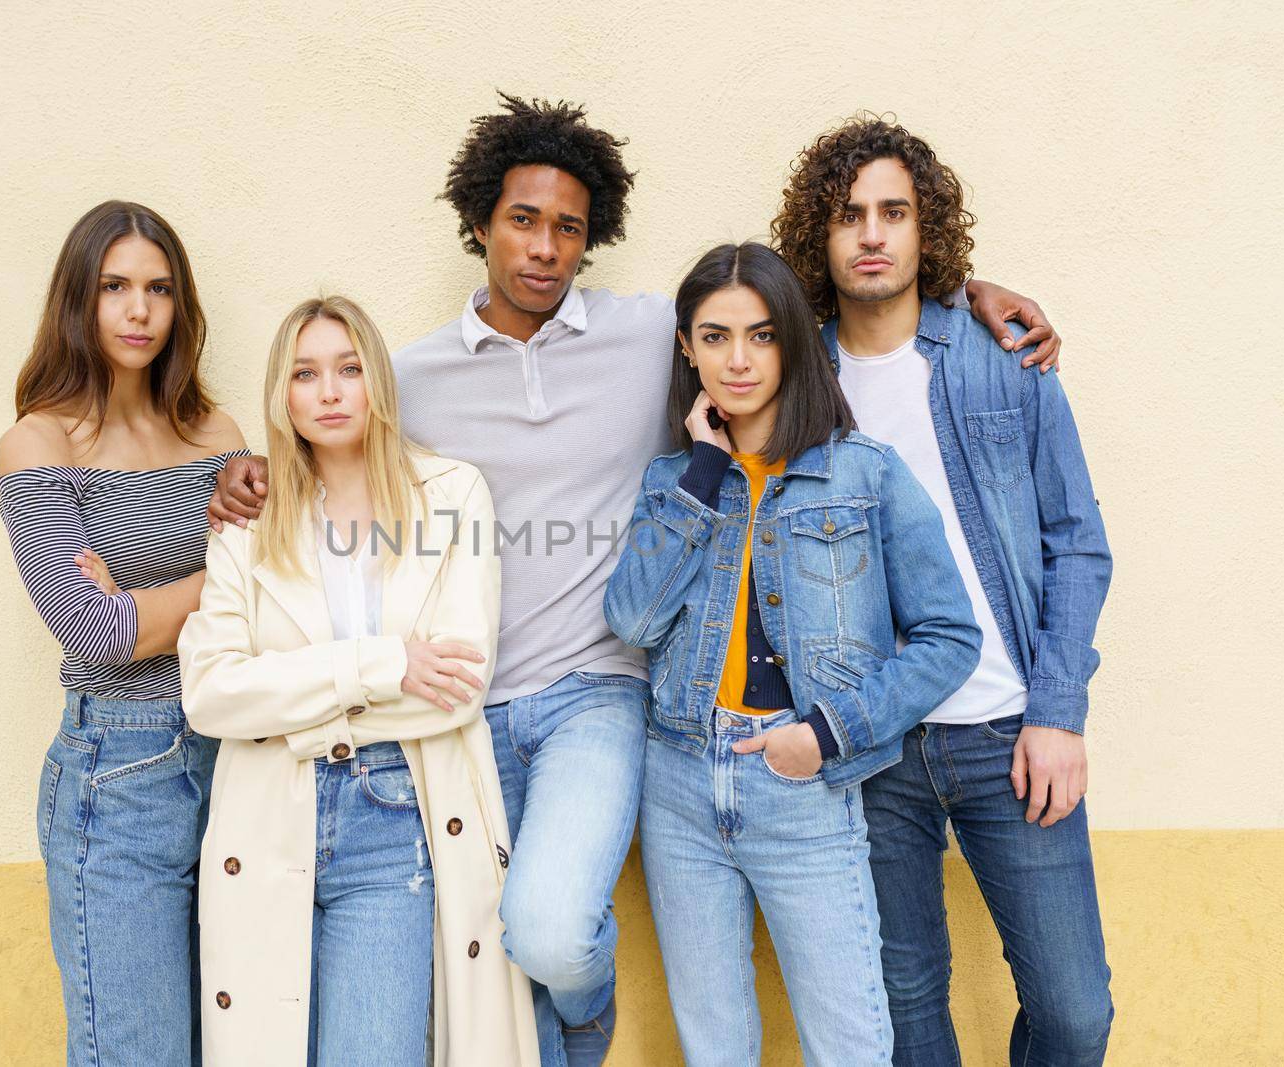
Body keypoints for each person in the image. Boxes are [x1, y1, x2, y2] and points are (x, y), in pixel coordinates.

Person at [208, 94, 1062, 1067]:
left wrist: (966, 291)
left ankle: (590, 1012)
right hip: (467, 711)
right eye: (522, 220)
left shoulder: (648, 330)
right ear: (480, 223)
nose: (543, 247)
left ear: (591, 237)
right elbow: (336, 431)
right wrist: (249, 468)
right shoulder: (414, 375)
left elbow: (777, 310)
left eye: (567, 227)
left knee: (554, 926)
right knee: (498, 962)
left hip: (600, 698)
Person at [772, 116, 1115, 1066]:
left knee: (1075, 1011)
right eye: (849, 216)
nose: (873, 233)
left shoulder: (997, 356)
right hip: (872, 745)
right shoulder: (799, 383)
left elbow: (1078, 545)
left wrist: (1059, 710)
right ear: (822, 237)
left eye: (894, 211)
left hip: (1011, 733)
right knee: (907, 1010)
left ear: (928, 230)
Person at [603, 241, 981, 1065]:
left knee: (849, 1043)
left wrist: (829, 731)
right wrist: (703, 470)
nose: (737, 360)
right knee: (715, 1044)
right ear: (685, 346)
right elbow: (632, 620)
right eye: (714, 336)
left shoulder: (863, 474)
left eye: (762, 335)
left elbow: (951, 636)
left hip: (804, 786)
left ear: (794, 343)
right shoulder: (677, 479)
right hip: (679, 779)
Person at [177, 295, 538, 1065]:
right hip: (270, 810)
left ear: (377, 379)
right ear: (284, 394)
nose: (330, 391)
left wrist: (286, 703)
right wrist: (385, 663)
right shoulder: (251, 517)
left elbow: (457, 686)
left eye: (348, 369)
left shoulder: (452, 494)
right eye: (306, 374)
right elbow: (210, 693)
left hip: (395, 813)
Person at [0, 199, 247, 1065]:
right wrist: (210, 585)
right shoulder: (39, 445)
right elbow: (94, 634)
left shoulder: (217, 435)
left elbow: (263, 599)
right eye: (114, 287)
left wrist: (144, 603)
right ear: (79, 299)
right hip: (119, 779)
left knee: (239, 1042)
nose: (139, 310)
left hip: (233, 755)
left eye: (158, 288)